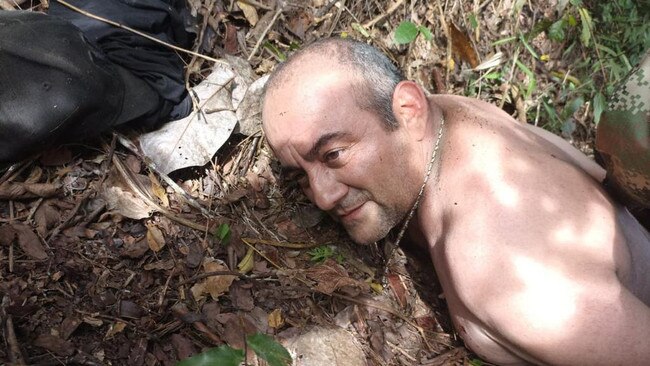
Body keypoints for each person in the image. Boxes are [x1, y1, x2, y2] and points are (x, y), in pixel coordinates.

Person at [261, 38, 650, 365]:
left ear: (408, 109)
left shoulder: (503, 269)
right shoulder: (442, 116)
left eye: (333, 155)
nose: (323, 197)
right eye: (300, 174)